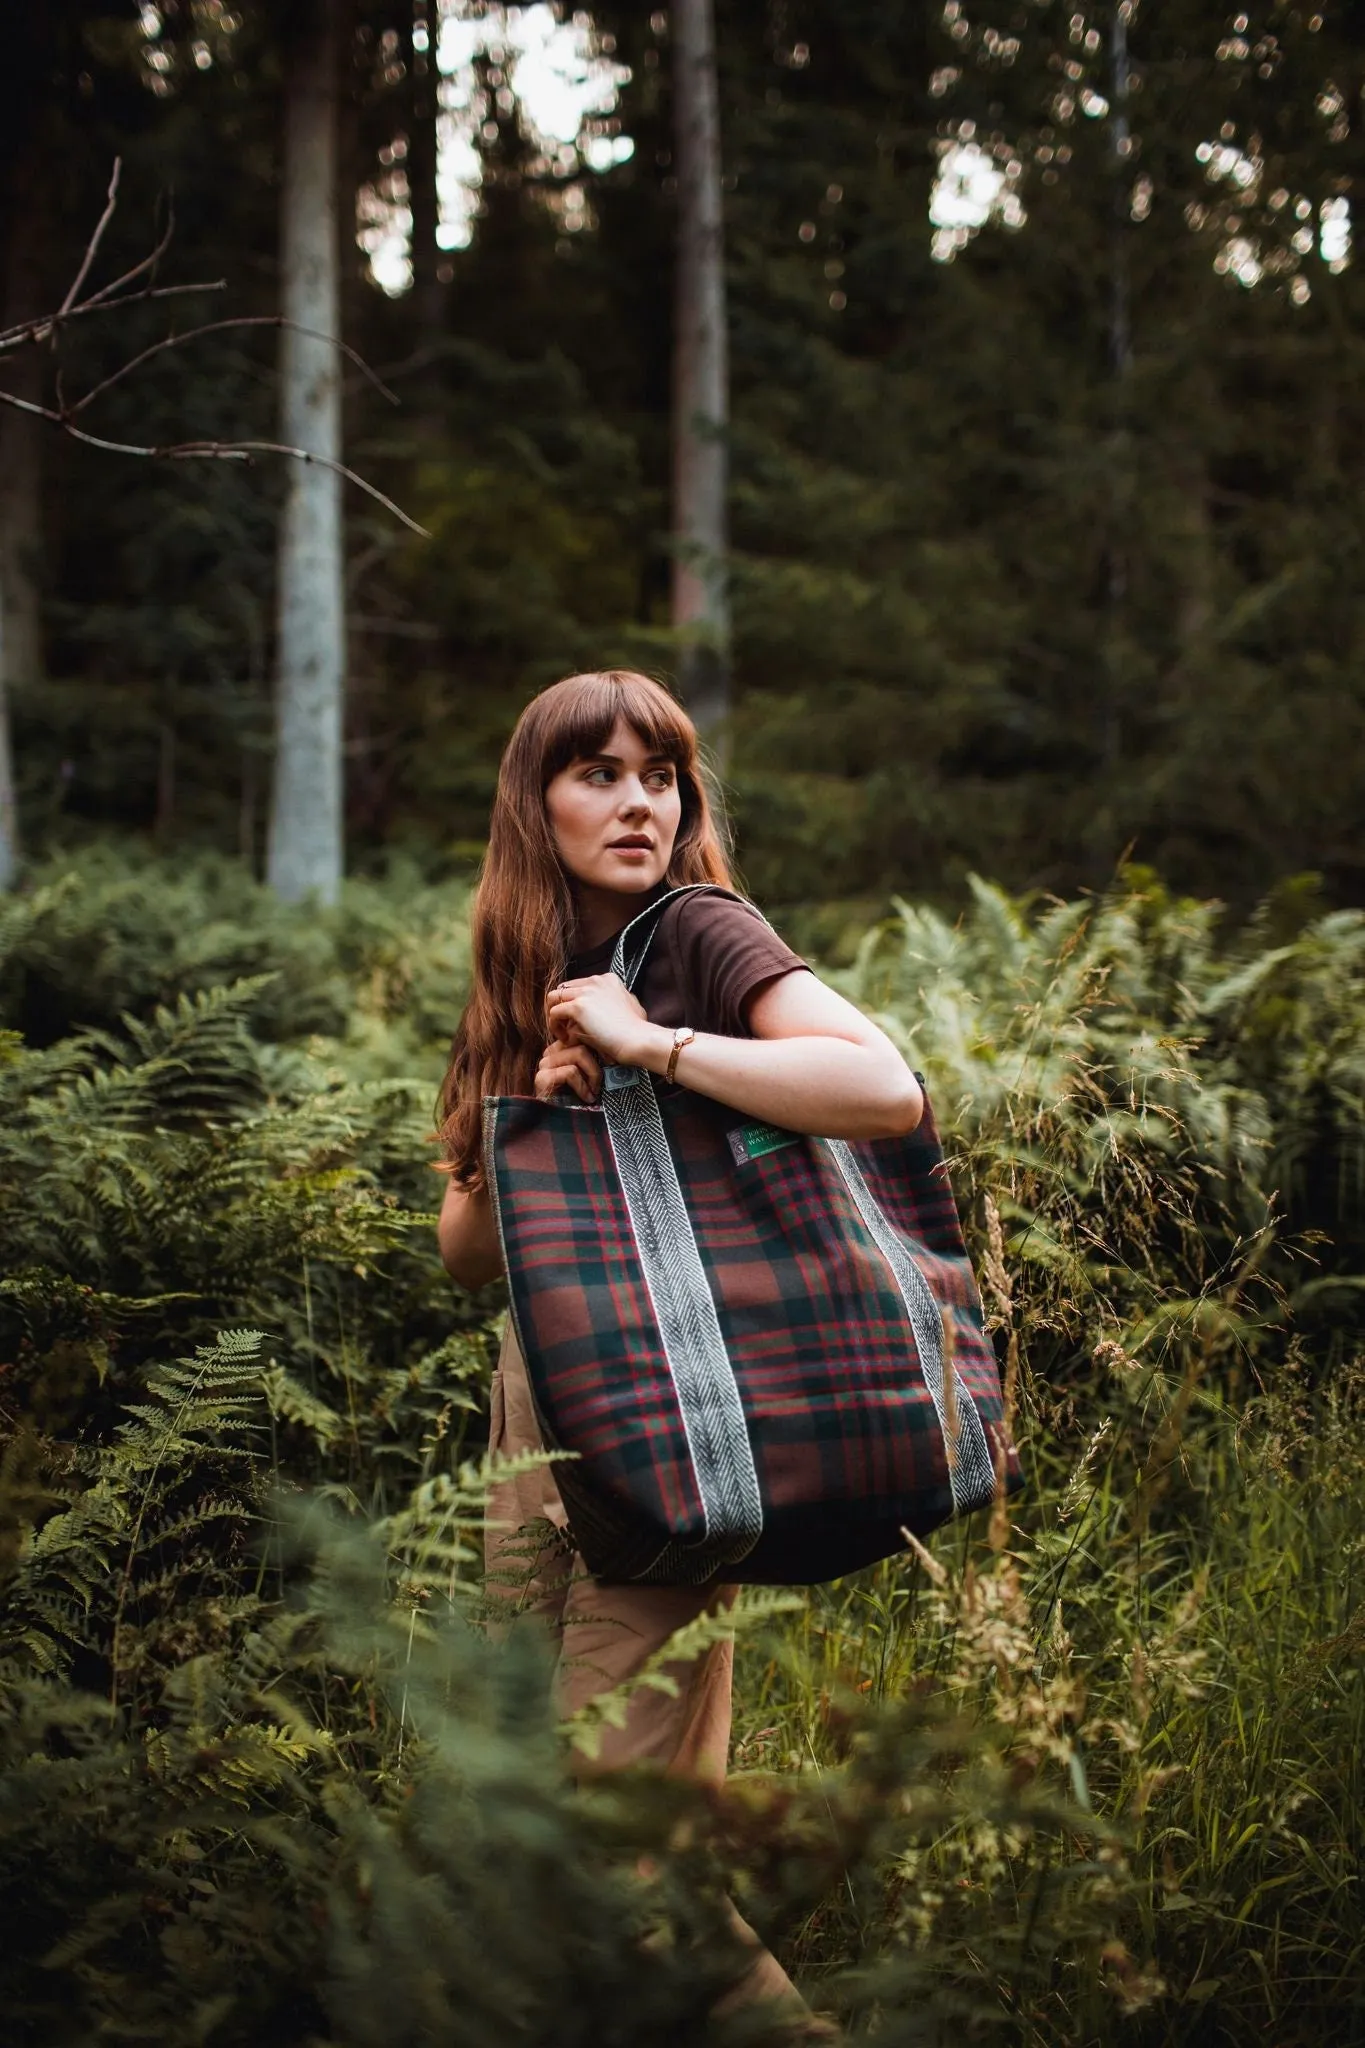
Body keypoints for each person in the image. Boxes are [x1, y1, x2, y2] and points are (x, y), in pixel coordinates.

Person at [436, 669, 922, 2037]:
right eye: (599, 773)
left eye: (660, 773)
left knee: (619, 1850)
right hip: (534, 1435)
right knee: (534, 1811)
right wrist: (520, 1111)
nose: (639, 799)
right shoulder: (521, 972)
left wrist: (657, 1043)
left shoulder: (698, 934)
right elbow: (465, 1255)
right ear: (536, 803)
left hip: (675, 1425)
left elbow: (885, 1089)